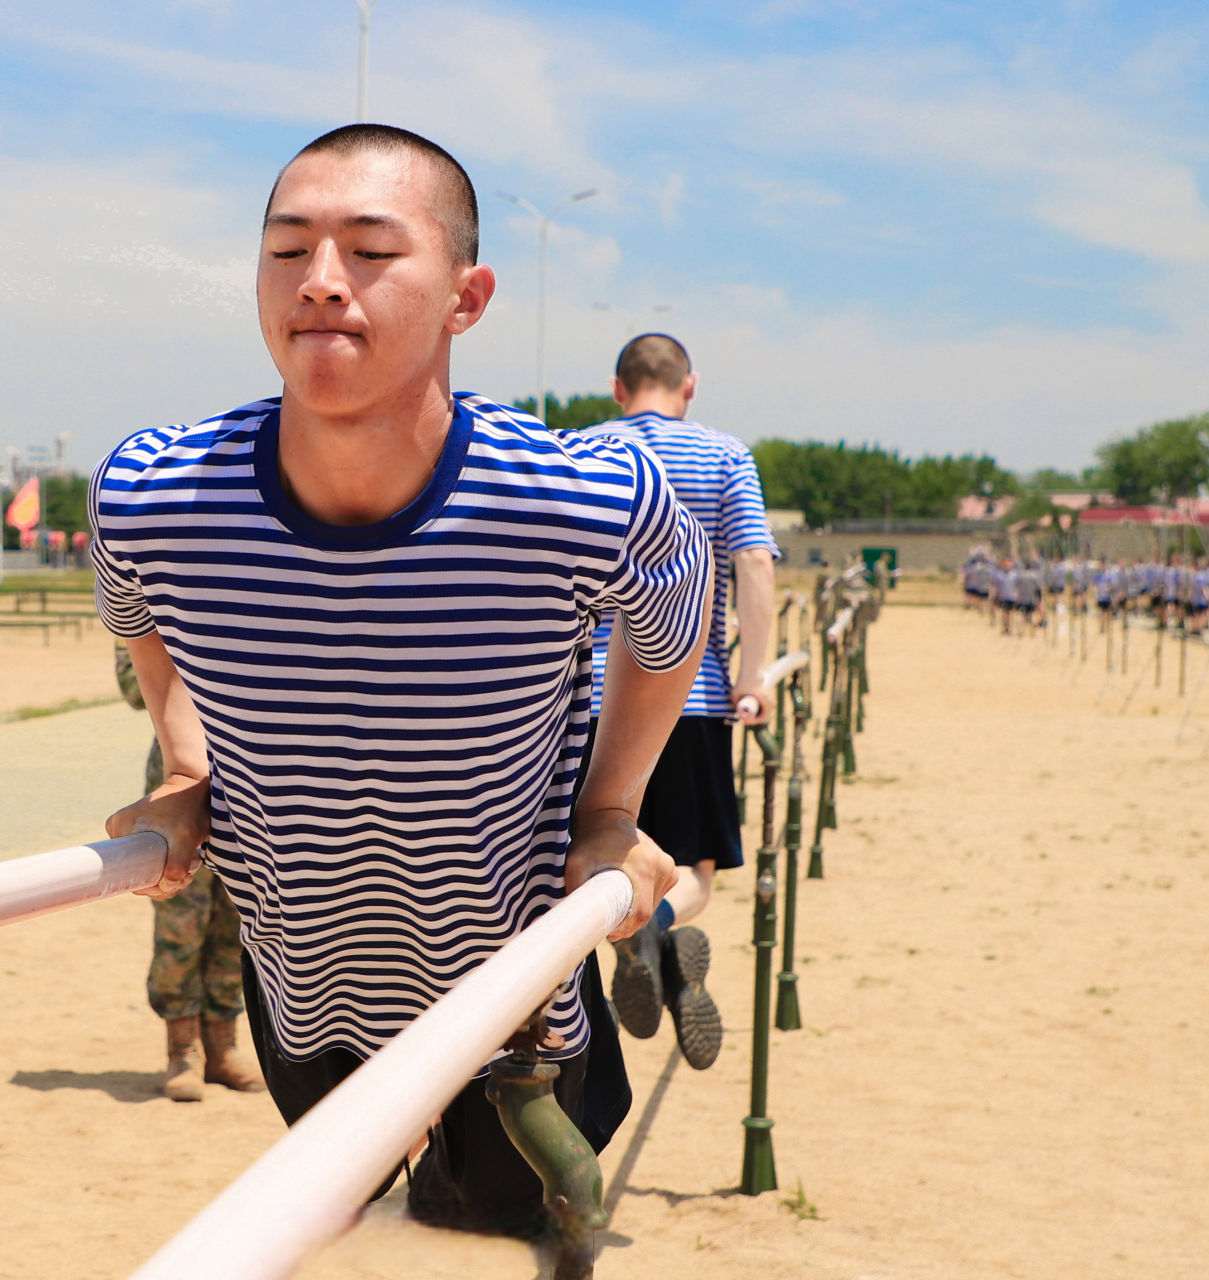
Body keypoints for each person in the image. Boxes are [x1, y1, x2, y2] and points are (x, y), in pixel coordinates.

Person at [89, 124, 708, 1236]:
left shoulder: (586, 498)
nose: (321, 282)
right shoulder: (153, 494)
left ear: (467, 298)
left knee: (484, 1231)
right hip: (307, 980)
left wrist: (610, 807)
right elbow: (149, 629)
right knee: (342, 1220)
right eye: (288, 251)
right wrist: (187, 772)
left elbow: (673, 628)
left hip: (514, 996)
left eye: (370, 252)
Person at [575, 334, 778, 1071]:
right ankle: (657, 926)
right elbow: (752, 562)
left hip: (587, 699)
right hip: (691, 692)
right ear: (689, 387)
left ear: (616, 387)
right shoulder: (724, 456)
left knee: (590, 856)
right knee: (693, 870)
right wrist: (753, 678)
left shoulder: (583, 451)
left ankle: (619, 951)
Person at [114, 640, 267, 1102]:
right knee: (180, 923)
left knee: (237, 921)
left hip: (249, 778)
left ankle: (223, 1045)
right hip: (180, 785)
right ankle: (183, 1050)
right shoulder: (162, 608)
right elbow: (133, 685)